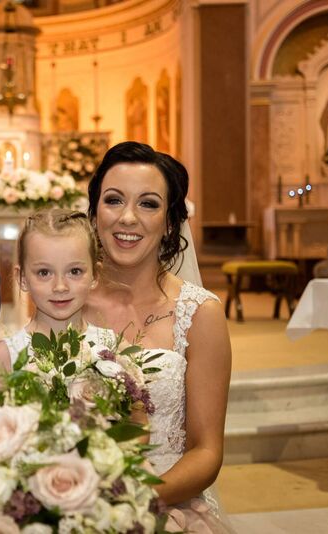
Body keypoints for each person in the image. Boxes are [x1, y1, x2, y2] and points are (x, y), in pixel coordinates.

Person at [84, 141, 233, 532]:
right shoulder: (65, 302)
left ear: (170, 221)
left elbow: (206, 452)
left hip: (169, 507)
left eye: (148, 204)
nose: (127, 218)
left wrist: (131, 501)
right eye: (113, 200)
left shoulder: (201, 314)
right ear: (95, 211)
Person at [0, 208, 116, 392]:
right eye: (44, 273)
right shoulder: (4, 357)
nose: (60, 286)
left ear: (94, 275)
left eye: (74, 271)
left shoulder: (112, 347)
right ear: (22, 278)